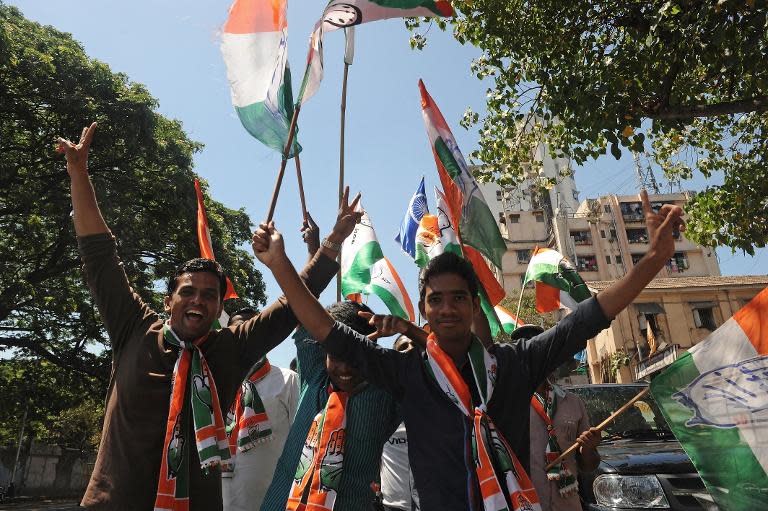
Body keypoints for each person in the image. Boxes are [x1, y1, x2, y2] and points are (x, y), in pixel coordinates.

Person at [251, 187, 684, 511]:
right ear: (424, 309)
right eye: (435, 300)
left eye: (458, 297)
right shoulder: (407, 373)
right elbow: (325, 328)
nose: (447, 308)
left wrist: (652, 261)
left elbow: (587, 319)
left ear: (473, 304)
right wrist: (281, 265)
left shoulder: (515, 364)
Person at [58, 122, 358, 511]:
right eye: (188, 292)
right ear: (169, 301)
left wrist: (332, 242)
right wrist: (79, 173)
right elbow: (99, 254)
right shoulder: (134, 327)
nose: (197, 300)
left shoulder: (229, 348)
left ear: (220, 308)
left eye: (209, 295)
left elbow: (290, 308)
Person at [260, 301, 402, 511]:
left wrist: (406, 330)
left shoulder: (388, 392)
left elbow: (443, 364)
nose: (345, 368)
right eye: (335, 356)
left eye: (355, 358)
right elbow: (305, 306)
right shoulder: (314, 375)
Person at [222, 308, 300, 511]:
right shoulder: (214, 382)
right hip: (218, 498)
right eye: (239, 332)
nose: (247, 338)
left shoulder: (287, 380)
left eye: (254, 331)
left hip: (269, 500)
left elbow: (301, 441)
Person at [529, 371, 600, 511]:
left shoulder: (573, 402)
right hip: (529, 504)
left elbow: (589, 465)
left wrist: (588, 449)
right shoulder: (511, 405)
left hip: (568, 504)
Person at [380, 336, 420, 511]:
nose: (410, 348)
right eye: (403, 346)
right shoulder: (382, 403)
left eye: (414, 345)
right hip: (392, 506)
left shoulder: (442, 397)